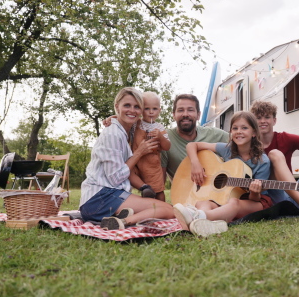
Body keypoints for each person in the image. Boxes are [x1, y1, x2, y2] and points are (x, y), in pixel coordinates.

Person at [79, 87, 175, 230]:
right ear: (117, 107)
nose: (132, 110)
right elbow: (115, 178)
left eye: (137, 107)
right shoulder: (112, 134)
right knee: (168, 210)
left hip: (108, 197)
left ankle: (120, 217)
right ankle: (124, 221)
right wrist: (139, 153)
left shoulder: (126, 131)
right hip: (100, 198)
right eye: (127, 105)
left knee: (165, 208)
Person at [173, 111, 273, 237]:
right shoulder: (227, 149)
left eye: (244, 128)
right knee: (203, 203)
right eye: (235, 128)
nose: (239, 131)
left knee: (234, 203)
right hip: (226, 197)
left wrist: (254, 191)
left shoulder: (262, 161)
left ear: (254, 133)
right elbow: (192, 145)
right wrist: (195, 163)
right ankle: (206, 224)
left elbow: (255, 199)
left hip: (254, 202)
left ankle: (199, 217)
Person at [161, 94, 228, 180]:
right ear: (174, 115)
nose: (185, 114)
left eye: (190, 110)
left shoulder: (215, 135)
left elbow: (242, 142)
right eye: (180, 110)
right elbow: (159, 180)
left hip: (215, 192)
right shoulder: (165, 139)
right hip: (184, 192)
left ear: (198, 115)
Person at [128, 91, 171, 201]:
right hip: (136, 161)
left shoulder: (160, 128)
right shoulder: (136, 123)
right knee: (131, 174)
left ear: (159, 110)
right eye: (147, 109)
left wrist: (160, 137)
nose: (151, 112)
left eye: (154, 109)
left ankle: (161, 206)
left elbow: (167, 147)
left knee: (157, 189)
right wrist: (111, 119)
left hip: (152, 164)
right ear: (141, 109)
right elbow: (121, 119)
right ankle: (144, 191)